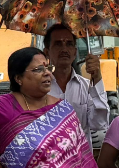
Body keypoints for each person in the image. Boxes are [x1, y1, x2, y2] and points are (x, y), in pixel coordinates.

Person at [44, 23, 109, 151]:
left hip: (81, 164)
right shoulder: (40, 90)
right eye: (58, 44)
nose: (64, 49)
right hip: (49, 165)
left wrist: (97, 78)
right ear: (47, 52)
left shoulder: (87, 87)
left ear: (75, 52)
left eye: (69, 44)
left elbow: (99, 123)